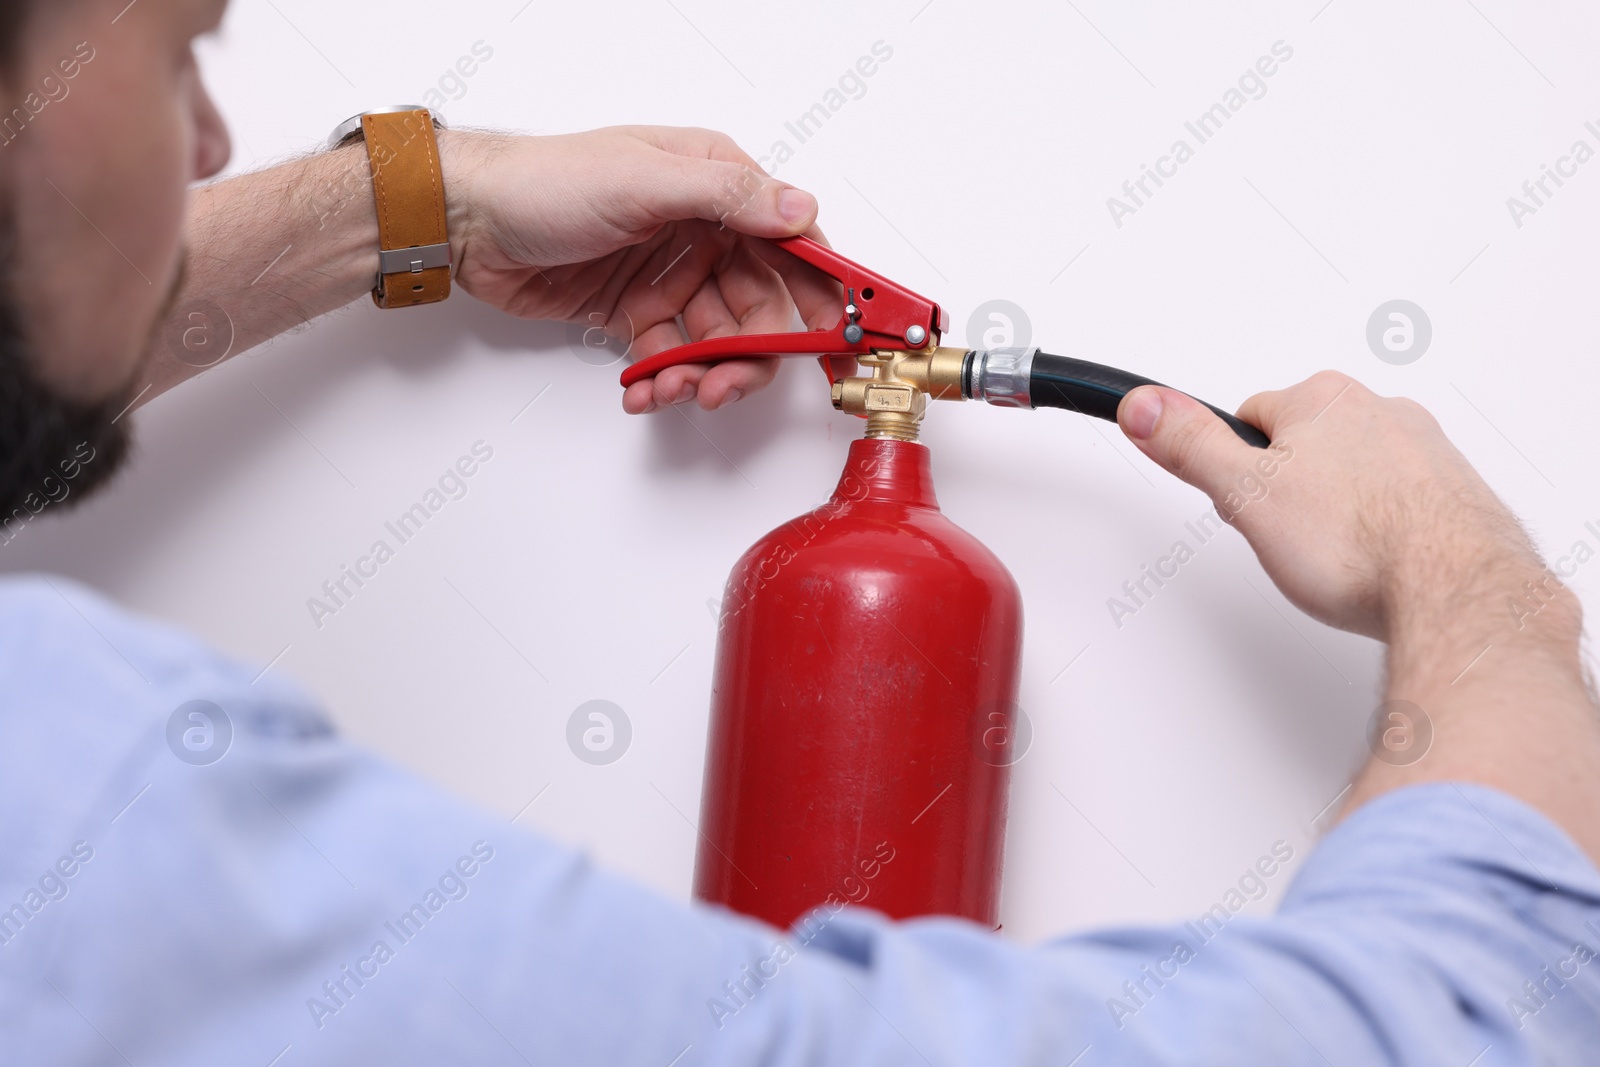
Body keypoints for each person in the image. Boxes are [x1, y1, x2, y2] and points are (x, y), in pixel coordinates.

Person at [2, 0, 1596, 1063]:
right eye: (171, 55)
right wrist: (1483, 596)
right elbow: (1441, 1029)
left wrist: (412, 202)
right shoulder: (80, 811)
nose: (209, 140)